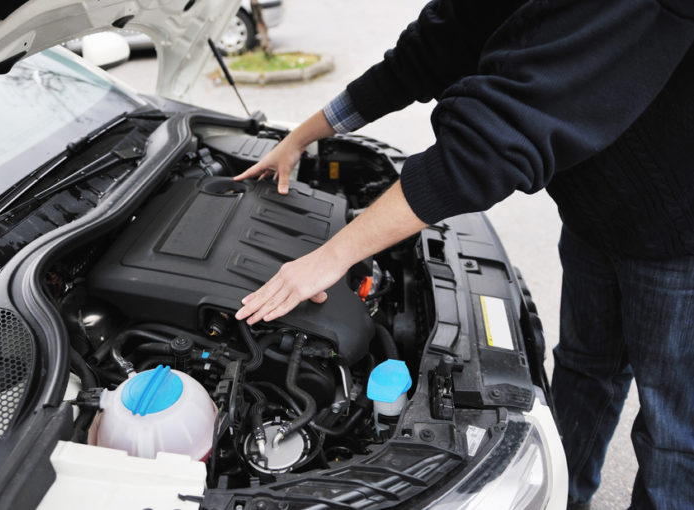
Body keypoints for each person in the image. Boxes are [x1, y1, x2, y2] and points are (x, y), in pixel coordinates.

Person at [232, 1, 694, 509]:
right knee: (586, 370)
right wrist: (302, 136)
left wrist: (334, 255)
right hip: (598, 212)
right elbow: (432, 47)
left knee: (674, 428)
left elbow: (497, 136)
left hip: (679, 232)